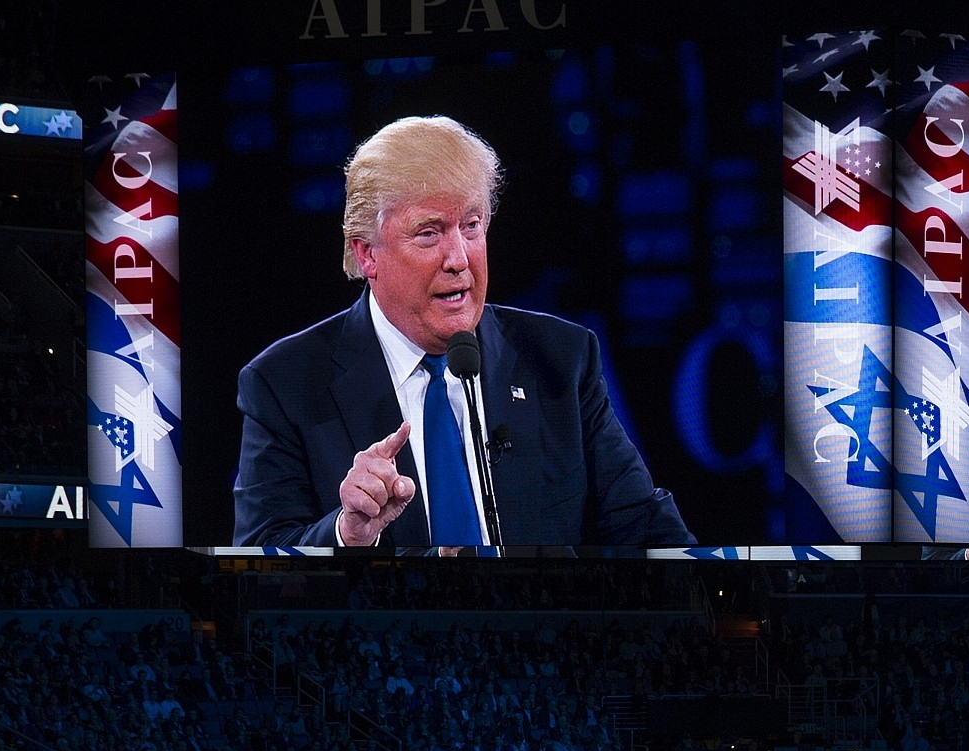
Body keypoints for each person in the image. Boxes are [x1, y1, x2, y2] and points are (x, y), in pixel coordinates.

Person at [234, 115, 694, 549]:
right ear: (367, 254)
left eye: (472, 226)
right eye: (429, 233)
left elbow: (645, 529)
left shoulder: (561, 360)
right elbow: (259, 558)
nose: (459, 259)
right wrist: (347, 533)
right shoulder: (284, 384)